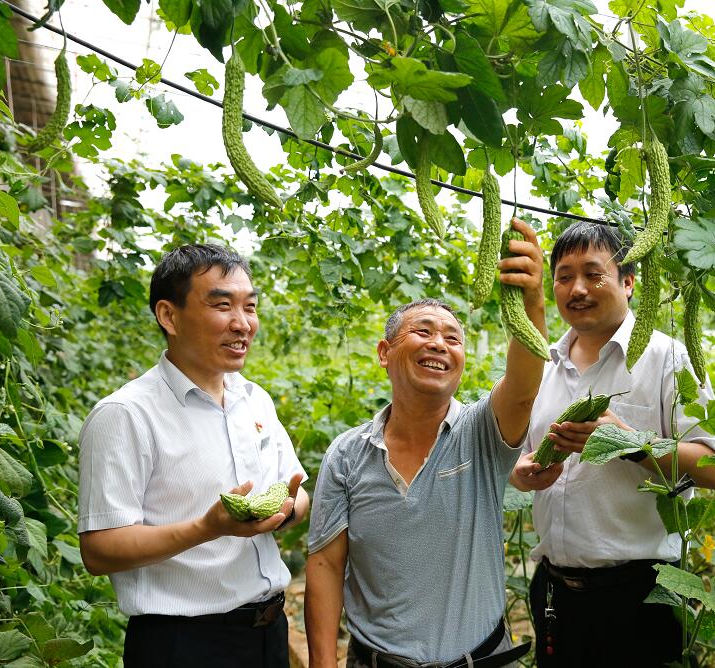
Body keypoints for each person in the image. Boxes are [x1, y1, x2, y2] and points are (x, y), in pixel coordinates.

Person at [304, 218, 546, 668]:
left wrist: (531, 299)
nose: (439, 344)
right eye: (423, 331)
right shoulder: (347, 453)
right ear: (384, 352)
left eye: (453, 338)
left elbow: (523, 385)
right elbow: (325, 566)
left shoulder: (481, 433)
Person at [509, 221, 715, 667]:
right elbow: (522, 463)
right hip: (555, 593)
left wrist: (628, 442)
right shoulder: (543, 368)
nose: (577, 289)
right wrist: (523, 475)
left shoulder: (669, 358)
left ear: (629, 282)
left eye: (594, 274)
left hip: (643, 595)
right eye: (564, 276)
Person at [78, 244, 309, 668]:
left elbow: (295, 487)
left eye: (250, 307)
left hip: (269, 634)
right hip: (183, 645)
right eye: (222, 306)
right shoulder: (125, 415)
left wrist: (288, 509)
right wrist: (207, 528)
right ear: (169, 316)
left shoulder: (254, 399)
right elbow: (100, 549)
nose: (242, 324)